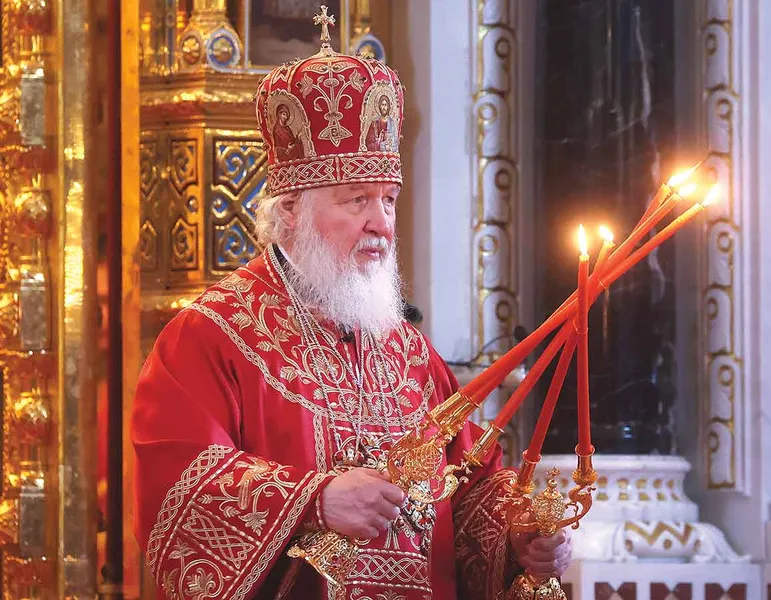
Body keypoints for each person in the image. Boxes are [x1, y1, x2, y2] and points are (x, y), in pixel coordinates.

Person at [133, 17, 572, 600]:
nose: (382, 224)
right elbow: (177, 491)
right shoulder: (210, 336)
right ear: (289, 211)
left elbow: (467, 489)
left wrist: (520, 537)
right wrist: (316, 501)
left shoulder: (408, 352)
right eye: (356, 199)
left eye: (388, 200)